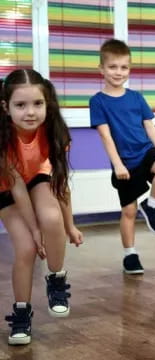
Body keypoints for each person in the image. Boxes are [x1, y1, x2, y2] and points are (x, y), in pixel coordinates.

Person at [0, 69, 83, 345]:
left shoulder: (54, 132)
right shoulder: (4, 137)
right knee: (25, 248)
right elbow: (15, 186)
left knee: (51, 216)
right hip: (7, 188)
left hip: (36, 177)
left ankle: (56, 279)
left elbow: (60, 182)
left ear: (47, 103)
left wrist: (69, 224)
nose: (30, 112)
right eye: (20, 105)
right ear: (5, 107)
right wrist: (34, 231)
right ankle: (22, 314)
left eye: (37, 104)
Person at [90, 39, 155, 275]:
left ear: (129, 69)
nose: (118, 72)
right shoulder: (98, 101)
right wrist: (117, 164)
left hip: (146, 151)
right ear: (102, 69)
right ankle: (130, 255)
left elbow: (150, 128)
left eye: (124, 67)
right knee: (128, 210)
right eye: (113, 67)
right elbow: (106, 136)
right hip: (125, 162)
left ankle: (152, 204)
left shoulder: (136, 97)